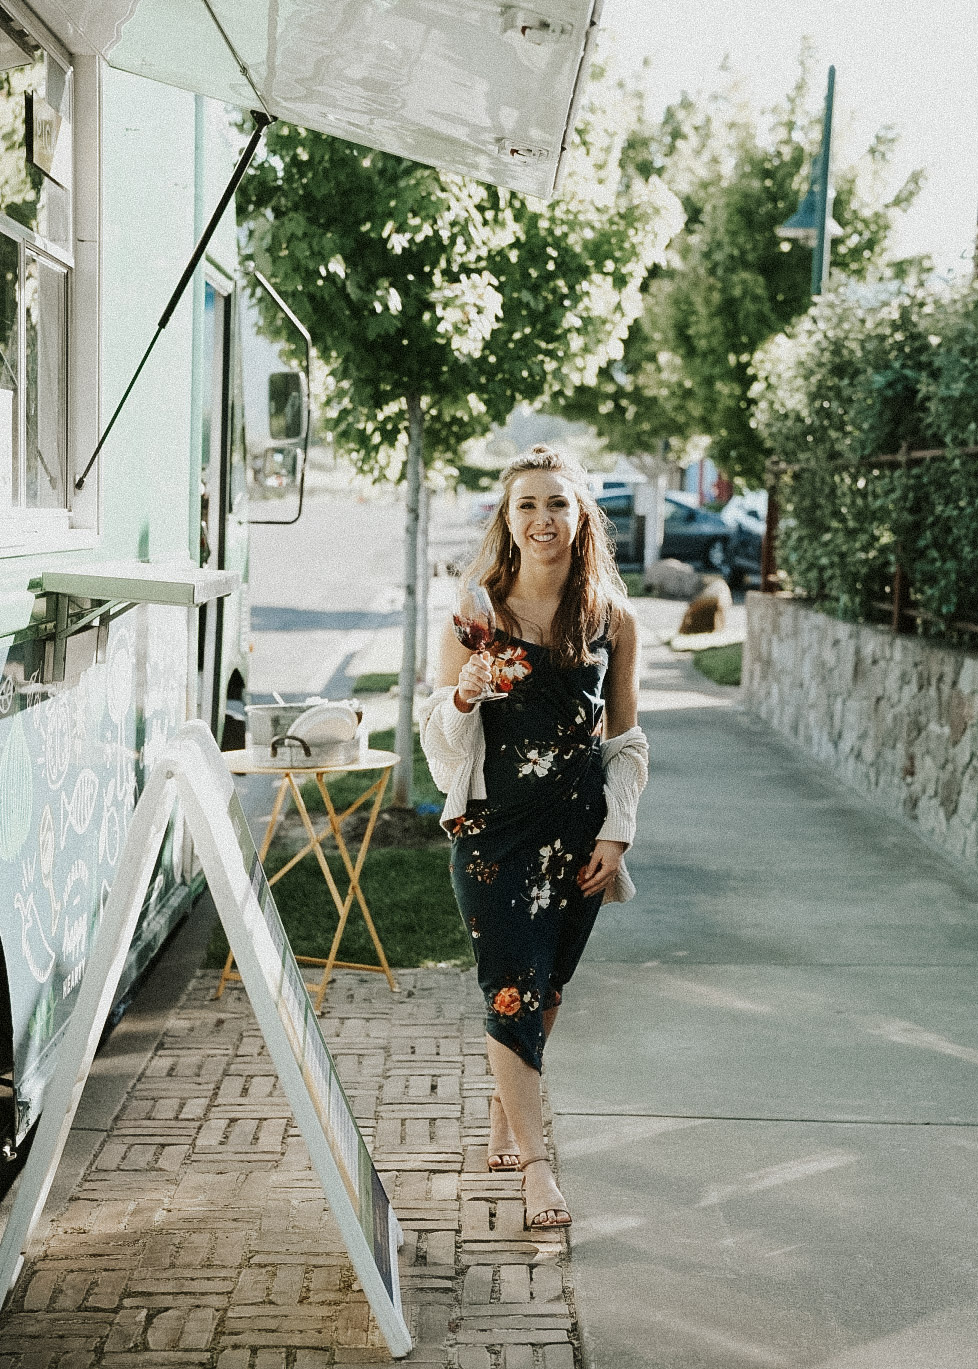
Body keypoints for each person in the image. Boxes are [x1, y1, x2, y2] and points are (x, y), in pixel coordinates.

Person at [420, 446, 649, 1230]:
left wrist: (617, 833)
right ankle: (538, 1169)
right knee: (510, 991)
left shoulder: (612, 619)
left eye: (557, 503)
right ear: (507, 520)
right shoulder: (477, 613)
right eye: (527, 506)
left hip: (581, 838)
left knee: (545, 992)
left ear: (580, 515)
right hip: (495, 837)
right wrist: (461, 694)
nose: (543, 519)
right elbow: (439, 738)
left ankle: (503, 1116)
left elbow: (625, 739)